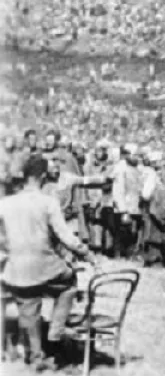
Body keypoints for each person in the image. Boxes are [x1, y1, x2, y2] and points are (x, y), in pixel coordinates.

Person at [0, 154, 96, 371]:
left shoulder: (5, 204)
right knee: (70, 283)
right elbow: (66, 236)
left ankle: (35, 357)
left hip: (16, 272)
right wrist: (86, 253)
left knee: (28, 304)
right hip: (45, 267)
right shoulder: (48, 202)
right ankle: (54, 336)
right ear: (43, 176)